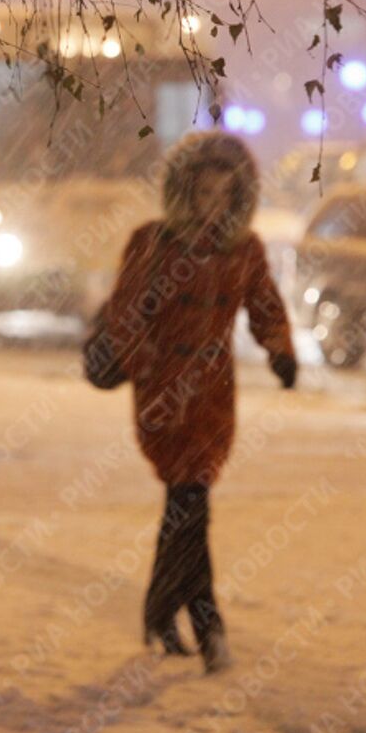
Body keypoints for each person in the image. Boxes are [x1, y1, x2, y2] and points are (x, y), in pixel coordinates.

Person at [105, 130, 297, 674]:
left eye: (223, 196)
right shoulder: (153, 241)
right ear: (183, 192)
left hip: (213, 398)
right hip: (165, 396)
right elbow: (126, 315)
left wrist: (281, 352)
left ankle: (160, 612)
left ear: (237, 196)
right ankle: (210, 630)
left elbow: (266, 308)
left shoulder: (244, 250)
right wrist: (148, 369)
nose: (212, 206)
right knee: (191, 505)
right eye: (202, 194)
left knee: (184, 507)